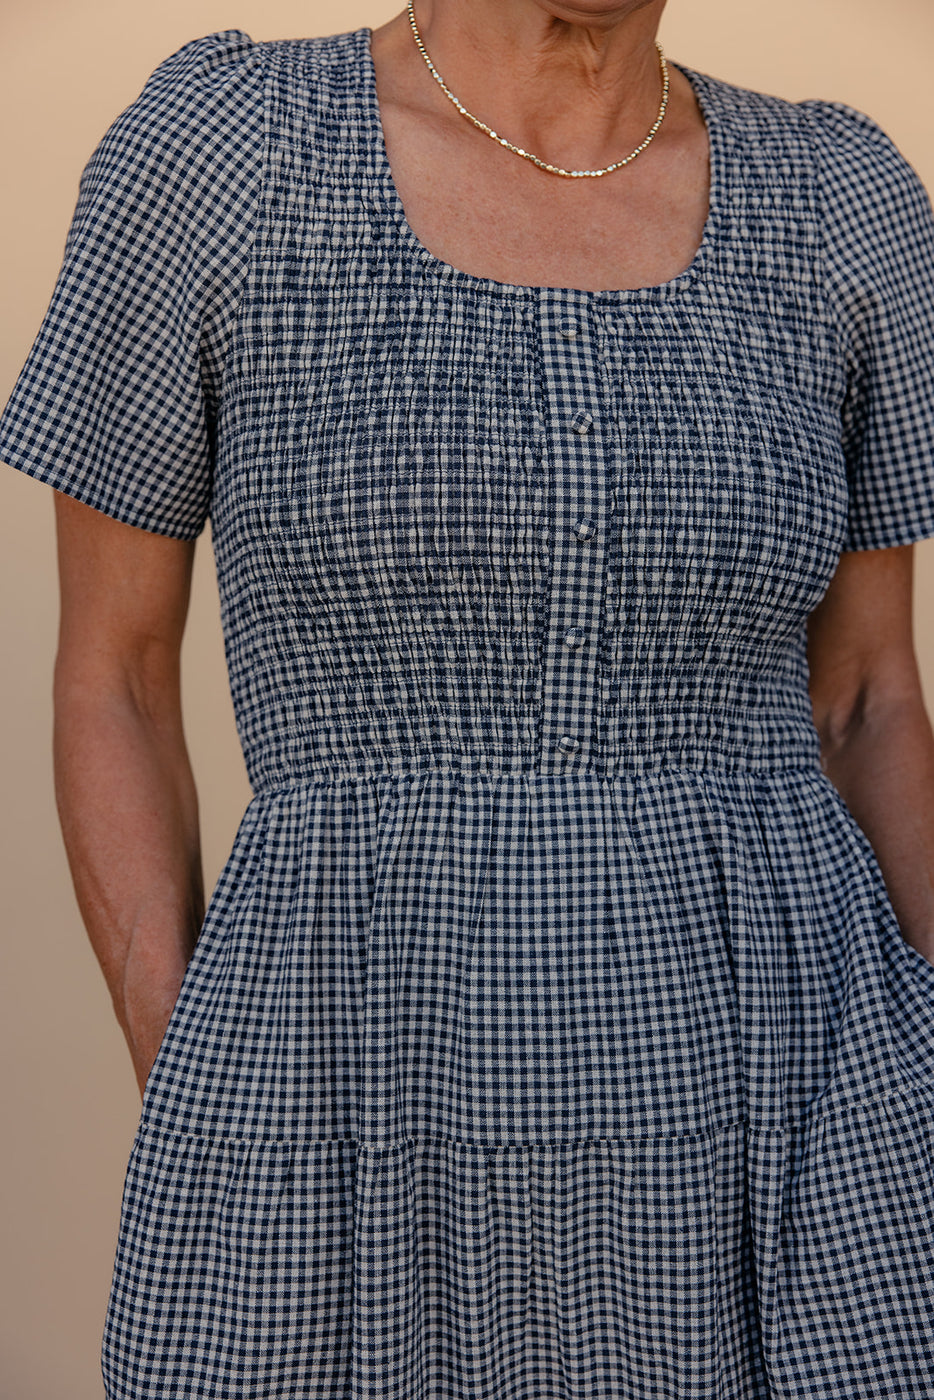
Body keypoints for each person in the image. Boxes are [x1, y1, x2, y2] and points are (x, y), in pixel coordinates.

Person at [2, 0, 934, 1393]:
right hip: (345, 1068)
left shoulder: (845, 198)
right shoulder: (217, 154)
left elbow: (864, 696)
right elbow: (115, 678)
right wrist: (202, 1073)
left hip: (792, 1080)